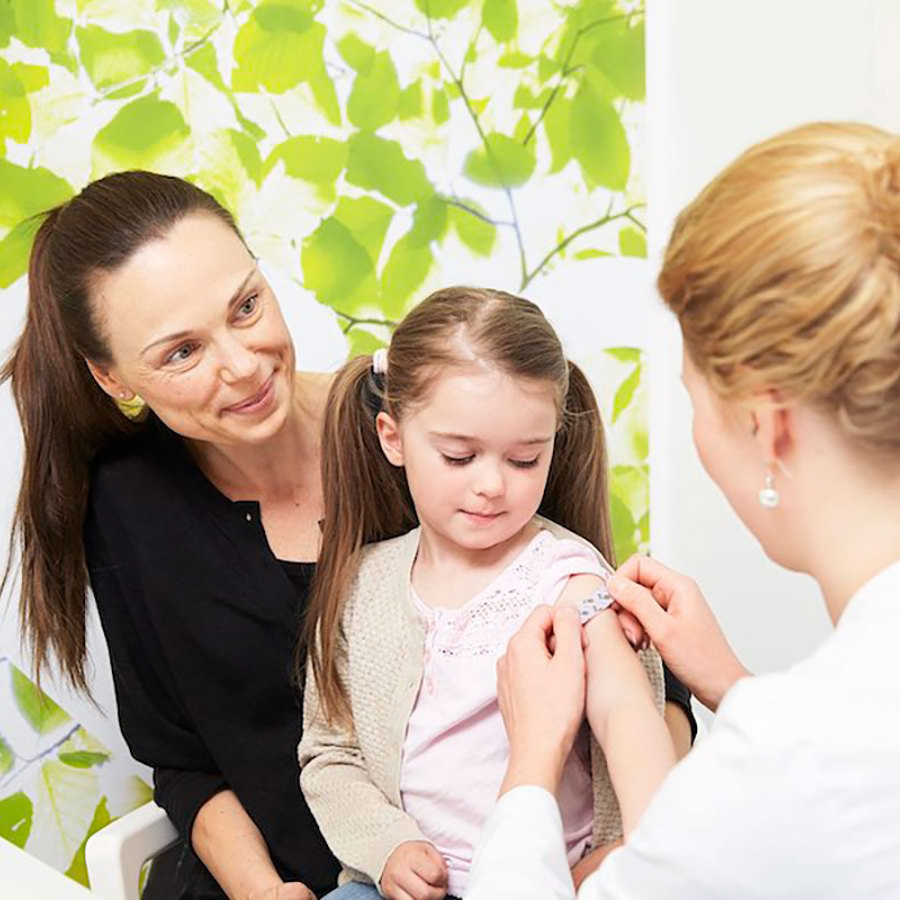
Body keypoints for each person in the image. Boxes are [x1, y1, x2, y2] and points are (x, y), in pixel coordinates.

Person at [465, 121, 900, 898]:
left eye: (695, 400)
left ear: (766, 426)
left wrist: (531, 760)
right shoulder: (814, 742)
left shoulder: (785, 766)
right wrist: (733, 685)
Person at [3, 171, 340, 899]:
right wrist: (263, 891)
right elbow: (185, 762)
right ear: (113, 378)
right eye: (182, 353)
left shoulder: (414, 429)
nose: (243, 366)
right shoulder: (129, 507)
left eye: (246, 306)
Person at [298, 287, 693, 900]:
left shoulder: (566, 578)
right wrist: (387, 846)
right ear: (393, 438)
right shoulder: (361, 586)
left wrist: (655, 846)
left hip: (547, 881)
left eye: (524, 460)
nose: (491, 485)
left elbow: (625, 712)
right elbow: (330, 756)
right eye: (459, 457)